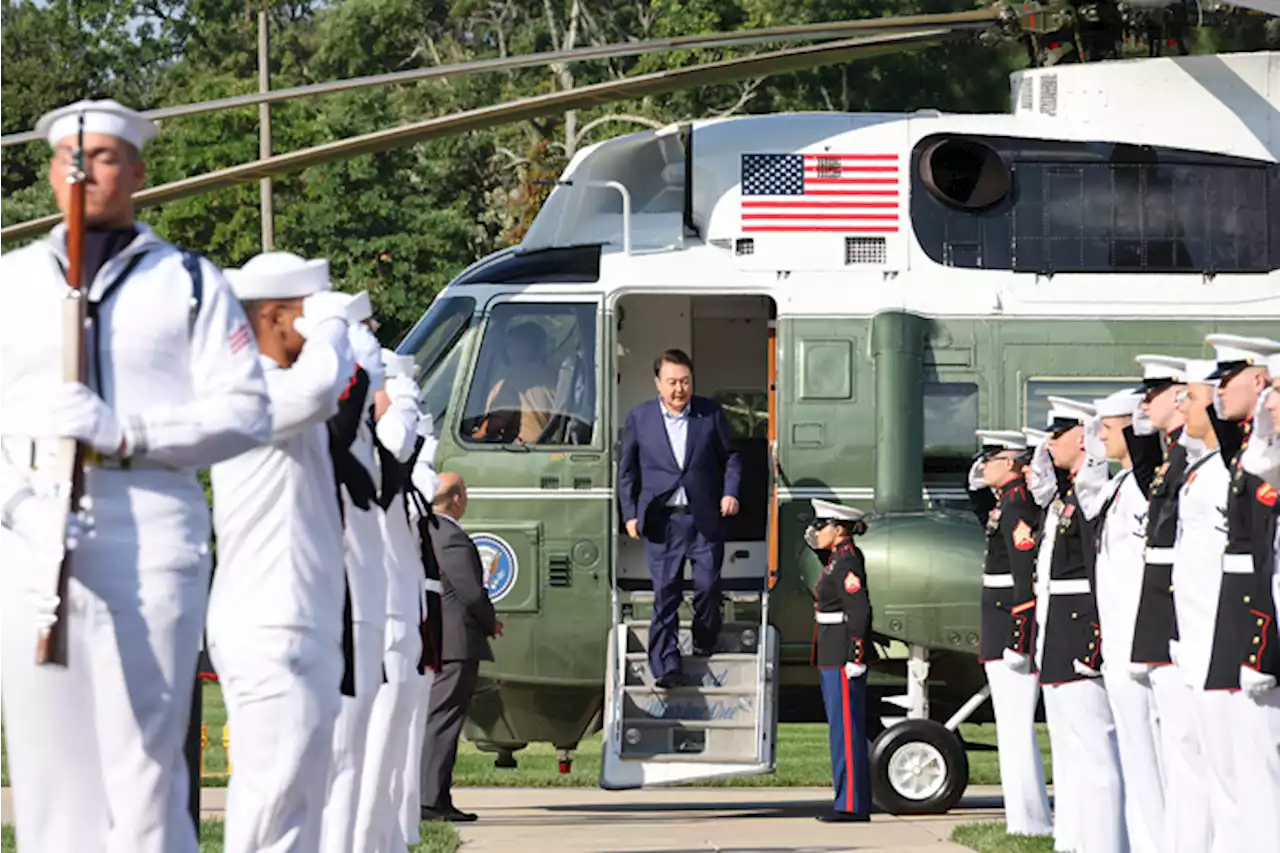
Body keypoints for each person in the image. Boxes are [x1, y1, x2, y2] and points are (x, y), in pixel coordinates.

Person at [0, 98, 271, 853]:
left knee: (145, 776)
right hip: (28, 535)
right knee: (48, 780)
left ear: (141, 172)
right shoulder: (10, 283)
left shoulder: (188, 282)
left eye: (107, 156)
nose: (86, 171)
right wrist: (18, 504)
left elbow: (245, 410)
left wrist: (129, 431)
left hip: (148, 526)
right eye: (71, 160)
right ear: (52, 175)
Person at [208, 252, 356, 853]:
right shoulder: (249, 391)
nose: (317, 322)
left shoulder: (287, 397)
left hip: (302, 621)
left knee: (301, 798)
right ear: (274, 317)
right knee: (270, 796)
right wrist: (333, 325)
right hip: (269, 623)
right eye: (305, 311)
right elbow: (321, 387)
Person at [1024, 396, 1124, 853]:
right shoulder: (1066, 496)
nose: (1047, 442)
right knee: (1069, 751)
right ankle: (1075, 840)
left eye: (1056, 434)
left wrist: (1093, 638)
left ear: (1080, 437)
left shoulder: (1092, 492)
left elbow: (1095, 569)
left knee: (1097, 753)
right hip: (1057, 629)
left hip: (1080, 627)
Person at [618, 349, 742, 688]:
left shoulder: (710, 414)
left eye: (685, 381)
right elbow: (626, 471)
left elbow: (732, 456)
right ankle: (665, 664)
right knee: (665, 592)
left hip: (704, 519)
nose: (678, 389)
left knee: (707, 588)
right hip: (662, 521)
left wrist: (730, 492)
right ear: (658, 383)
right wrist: (629, 514)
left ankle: (704, 636)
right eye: (672, 382)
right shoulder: (639, 418)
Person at [1202, 333, 1280, 853]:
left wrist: (1263, 647)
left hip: (1261, 635)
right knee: (1246, 772)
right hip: (1248, 627)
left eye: (1226, 382)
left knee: (1263, 773)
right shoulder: (1254, 455)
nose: (1213, 394)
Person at [319, 295, 390, 853]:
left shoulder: (357, 426)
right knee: (340, 752)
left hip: (364, 593)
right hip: (341, 595)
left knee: (356, 749)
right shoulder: (323, 413)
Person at [1084, 388, 1165, 853]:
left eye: (1107, 429)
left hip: (1139, 636)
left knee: (1153, 760)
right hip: (1117, 639)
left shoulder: (1141, 486)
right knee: (1136, 758)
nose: (1098, 437)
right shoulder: (1119, 485)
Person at [353, 350, 428, 853]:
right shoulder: (356, 448)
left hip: (401, 613)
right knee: (369, 753)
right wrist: (400, 395)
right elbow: (397, 443)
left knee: (391, 751)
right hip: (376, 617)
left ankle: (383, 842)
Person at [965, 430, 1052, 838]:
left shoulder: (1018, 505)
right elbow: (983, 510)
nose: (984, 466)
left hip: (1009, 629)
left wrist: (1020, 637)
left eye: (991, 459)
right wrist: (975, 484)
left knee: (1016, 729)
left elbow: (1024, 577)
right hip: (998, 624)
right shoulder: (1006, 503)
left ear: (1013, 462)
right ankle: (1021, 818)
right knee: (1009, 728)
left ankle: (1031, 821)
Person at [1169, 359, 1236, 853]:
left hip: (1223, 638)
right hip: (1195, 641)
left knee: (1232, 777)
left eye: (1189, 397)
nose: (1182, 406)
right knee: (1203, 766)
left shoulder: (1222, 474)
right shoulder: (1202, 470)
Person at [420, 472, 500, 823]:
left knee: (437, 719)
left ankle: (432, 796)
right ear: (456, 499)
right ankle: (431, 799)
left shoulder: (424, 530)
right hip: (456, 643)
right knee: (443, 722)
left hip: (440, 641)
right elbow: (471, 592)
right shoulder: (450, 536)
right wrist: (489, 622)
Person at [804, 498, 875, 823]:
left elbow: (858, 610)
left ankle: (851, 804)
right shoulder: (837, 559)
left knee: (846, 731)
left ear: (840, 528)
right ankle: (847, 799)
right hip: (831, 651)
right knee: (841, 729)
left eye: (823, 525)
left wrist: (856, 654)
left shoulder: (847, 562)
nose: (818, 531)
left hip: (842, 652)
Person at [471, 321, 557, 443]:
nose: (508, 349)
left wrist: (477, 435)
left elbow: (496, 422)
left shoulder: (513, 375)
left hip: (527, 448)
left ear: (526, 346)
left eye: (512, 344)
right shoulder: (553, 374)